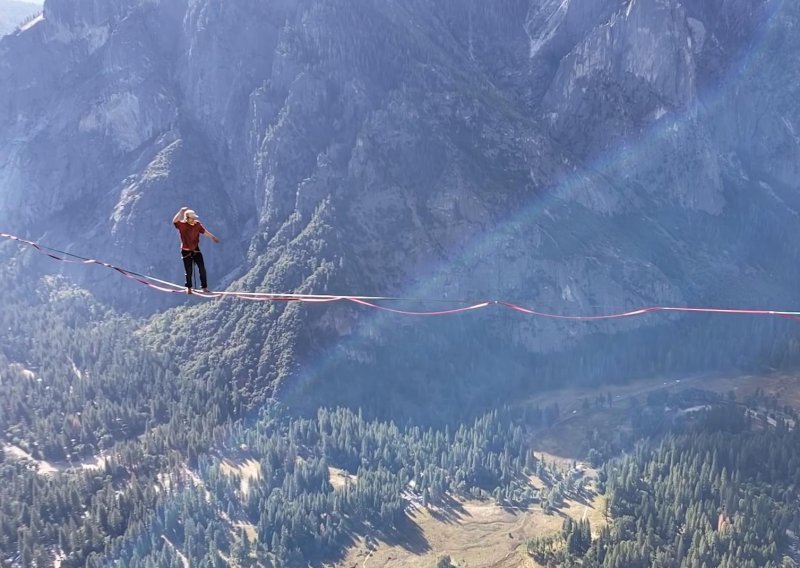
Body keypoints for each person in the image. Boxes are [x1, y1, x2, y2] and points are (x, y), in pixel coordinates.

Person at [172, 207, 220, 294]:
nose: (194, 219)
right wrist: (181, 211)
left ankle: (204, 287)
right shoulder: (182, 226)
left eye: (194, 218)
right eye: (192, 218)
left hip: (195, 249)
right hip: (186, 251)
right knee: (188, 270)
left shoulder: (197, 224)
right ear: (187, 218)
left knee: (202, 268)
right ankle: (189, 288)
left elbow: (204, 232)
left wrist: (212, 237)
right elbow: (175, 221)